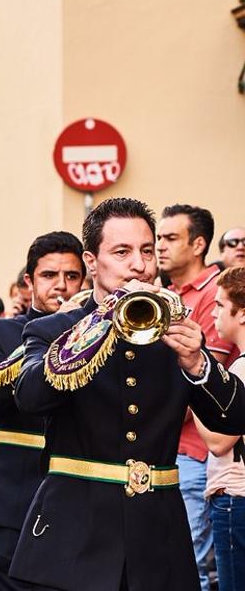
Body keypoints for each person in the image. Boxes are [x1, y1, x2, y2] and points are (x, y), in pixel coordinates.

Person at [11, 198, 245, 590]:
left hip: (159, 539)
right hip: (75, 538)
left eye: (147, 251)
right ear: (91, 261)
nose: (139, 264)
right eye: (122, 252)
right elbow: (30, 398)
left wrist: (197, 364)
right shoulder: (54, 328)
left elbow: (234, 420)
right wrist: (99, 324)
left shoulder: (174, 328)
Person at [0, 231, 85, 591]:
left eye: (71, 276)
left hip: (77, 505)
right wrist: (53, 334)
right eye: (49, 276)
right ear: (28, 282)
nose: (61, 287)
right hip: (12, 502)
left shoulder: (99, 335)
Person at [159, 204, 237, 591]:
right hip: (164, 446)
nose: (160, 247)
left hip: (194, 452)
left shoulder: (214, 293)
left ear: (199, 244)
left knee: (194, 571)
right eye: (158, 238)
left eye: (171, 238)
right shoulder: (166, 292)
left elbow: (203, 380)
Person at [195, 266, 245, 591]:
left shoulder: (241, 367)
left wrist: (194, 391)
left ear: (241, 314)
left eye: (219, 305)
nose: (212, 314)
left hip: (235, 499)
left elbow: (219, 441)